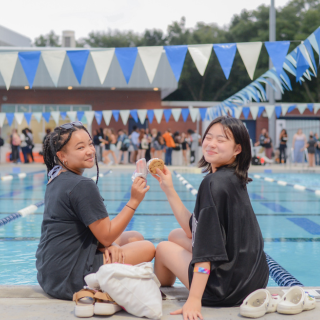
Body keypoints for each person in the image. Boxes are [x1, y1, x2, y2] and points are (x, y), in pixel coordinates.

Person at [151, 116, 268, 319]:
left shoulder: (213, 184)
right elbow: (191, 230)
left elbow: (206, 253)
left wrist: (195, 299)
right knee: (175, 235)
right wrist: (168, 188)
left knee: (162, 248)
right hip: (253, 280)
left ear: (237, 149)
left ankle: (163, 288)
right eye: (209, 137)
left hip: (225, 290)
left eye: (221, 140)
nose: (211, 144)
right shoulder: (234, 178)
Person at [36, 121, 155, 300]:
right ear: (62, 156)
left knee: (134, 236)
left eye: (90, 144)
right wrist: (134, 201)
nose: (90, 150)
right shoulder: (82, 185)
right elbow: (106, 235)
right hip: (71, 278)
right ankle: (109, 287)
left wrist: (108, 245)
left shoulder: (55, 179)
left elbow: (76, 231)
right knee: (147, 248)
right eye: (80, 147)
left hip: (49, 275)